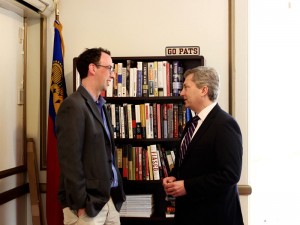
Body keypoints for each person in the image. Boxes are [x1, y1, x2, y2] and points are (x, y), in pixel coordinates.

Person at [162, 66, 244, 225]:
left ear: (204, 90)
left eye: (186, 87)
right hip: (189, 214)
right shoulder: (191, 124)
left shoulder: (225, 125)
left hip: (214, 217)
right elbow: (187, 163)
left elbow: (230, 174)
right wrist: (174, 176)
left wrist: (187, 186)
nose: (181, 93)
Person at [56, 47, 125, 225]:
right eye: (109, 68)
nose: (112, 75)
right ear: (93, 68)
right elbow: (70, 161)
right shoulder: (73, 106)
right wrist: (81, 203)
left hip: (108, 201)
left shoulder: (101, 106)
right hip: (88, 207)